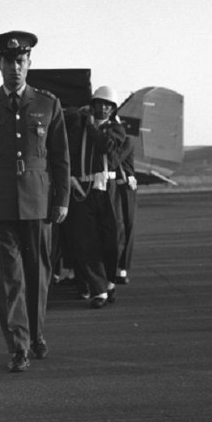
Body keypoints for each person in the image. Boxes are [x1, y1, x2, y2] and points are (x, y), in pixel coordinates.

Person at [0, 30, 70, 372]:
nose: (15, 67)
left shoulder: (48, 104)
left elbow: (61, 158)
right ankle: (18, 346)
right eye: (9, 62)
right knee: (8, 279)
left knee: (38, 275)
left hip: (38, 202)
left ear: (30, 63)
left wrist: (62, 200)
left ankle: (37, 335)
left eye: (21, 61)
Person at [65, 86, 127, 308]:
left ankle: (109, 282)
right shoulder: (79, 128)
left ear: (113, 109)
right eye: (99, 103)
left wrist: (91, 126)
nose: (103, 108)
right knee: (86, 240)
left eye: (108, 105)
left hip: (107, 191)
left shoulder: (116, 129)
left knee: (111, 240)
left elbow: (105, 146)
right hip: (83, 190)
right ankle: (98, 290)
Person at [114, 135, 137, 284]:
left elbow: (114, 160)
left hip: (125, 186)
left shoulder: (127, 141)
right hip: (113, 187)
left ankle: (122, 268)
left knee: (127, 226)